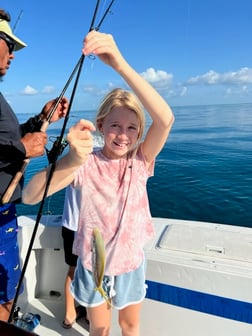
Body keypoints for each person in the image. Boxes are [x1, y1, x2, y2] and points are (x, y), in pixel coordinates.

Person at [23, 30, 174, 336]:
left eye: (132, 128)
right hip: (93, 266)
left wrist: (119, 64)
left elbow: (166, 119)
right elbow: (30, 196)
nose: (123, 135)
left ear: (140, 132)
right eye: (115, 125)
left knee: (130, 326)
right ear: (101, 126)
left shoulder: (141, 160)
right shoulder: (85, 162)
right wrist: (71, 160)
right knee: (99, 329)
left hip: (131, 261)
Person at [0, 8, 68, 322]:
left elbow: (9, 139)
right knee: (3, 293)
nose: (12, 55)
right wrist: (19, 149)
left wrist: (42, 119)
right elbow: (12, 146)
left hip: (4, 213)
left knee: (7, 287)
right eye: (7, 44)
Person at [61, 185, 88, 329]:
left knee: (72, 269)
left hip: (70, 225)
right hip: (91, 228)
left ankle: (69, 315)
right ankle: (91, 314)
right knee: (94, 273)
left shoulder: (69, 162)